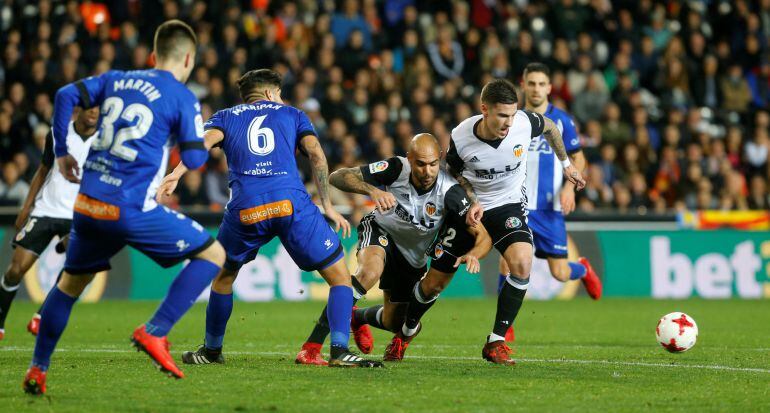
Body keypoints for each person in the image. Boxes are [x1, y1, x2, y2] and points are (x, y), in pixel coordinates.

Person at [24, 20, 227, 395]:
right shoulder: (182, 96)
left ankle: (38, 369)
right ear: (188, 58)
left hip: (87, 206)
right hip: (129, 207)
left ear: (153, 55)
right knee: (214, 254)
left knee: (68, 287)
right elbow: (197, 161)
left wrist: (62, 151)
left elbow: (65, 95)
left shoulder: (116, 78)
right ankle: (155, 331)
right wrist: (194, 141)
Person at [157, 69, 381, 368]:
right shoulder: (292, 114)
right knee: (340, 277)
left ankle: (211, 351)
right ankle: (339, 350)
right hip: (290, 203)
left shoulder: (225, 116)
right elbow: (315, 154)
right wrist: (327, 204)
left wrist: (175, 174)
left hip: (247, 208)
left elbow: (202, 144)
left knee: (223, 278)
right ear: (270, 94)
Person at [293, 134, 492, 364]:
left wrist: (474, 254)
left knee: (395, 323)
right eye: (420, 164)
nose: (427, 171)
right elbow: (338, 177)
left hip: (412, 257)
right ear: (409, 159)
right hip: (381, 230)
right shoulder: (396, 168)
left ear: (439, 160)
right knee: (369, 272)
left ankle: (355, 317)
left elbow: (483, 236)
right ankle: (312, 347)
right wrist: (373, 190)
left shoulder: (451, 192)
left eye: (432, 164)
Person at [446, 78, 586, 365]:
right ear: (484, 109)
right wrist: (471, 198)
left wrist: (566, 165)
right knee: (436, 282)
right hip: (476, 206)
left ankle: (496, 340)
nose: (509, 122)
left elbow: (549, 127)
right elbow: (454, 172)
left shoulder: (523, 123)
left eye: (512, 114)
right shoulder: (461, 136)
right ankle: (403, 332)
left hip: (508, 205)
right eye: (501, 115)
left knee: (522, 263)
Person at [498, 63, 602, 341]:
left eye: (541, 84)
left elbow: (579, 159)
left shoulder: (563, 121)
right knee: (507, 264)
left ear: (549, 88)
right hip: (515, 204)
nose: (536, 89)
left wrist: (570, 187)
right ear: (523, 84)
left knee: (559, 272)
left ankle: (582, 268)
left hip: (549, 208)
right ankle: (504, 327)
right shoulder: (513, 118)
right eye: (531, 83)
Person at [0, 107, 99, 341]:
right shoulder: (57, 133)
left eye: (98, 109)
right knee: (16, 269)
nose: (94, 113)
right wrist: (27, 207)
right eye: (90, 109)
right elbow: (43, 169)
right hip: (46, 210)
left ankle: (42, 316)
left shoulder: (105, 140)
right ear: (79, 110)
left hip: (79, 213)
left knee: (83, 266)